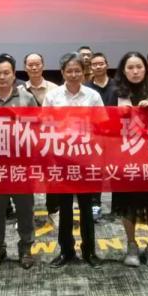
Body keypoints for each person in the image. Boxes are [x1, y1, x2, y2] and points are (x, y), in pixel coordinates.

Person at [0, 54, 39, 271]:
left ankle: (26, 248)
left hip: (21, 166)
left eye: (6, 73)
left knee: (25, 209)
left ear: (13, 75)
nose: (1, 77)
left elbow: (37, 130)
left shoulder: (27, 99)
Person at [107, 51, 148, 268]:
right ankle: (131, 245)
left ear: (146, 69)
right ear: (123, 71)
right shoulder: (115, 94)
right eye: (130, 68)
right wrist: (118, 116)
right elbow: (105, 127)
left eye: (139, 67)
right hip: (125, 160)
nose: (135, 71)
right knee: (127, 204)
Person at [44, 52, 105, 268]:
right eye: (69, 70)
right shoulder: (53, 96)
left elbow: (102, 124)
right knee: (65, 207)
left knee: (87, 207)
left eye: (77, 70)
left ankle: (89, 251)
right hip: (62, 157)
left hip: (86, 157)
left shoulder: (93, 96)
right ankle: (66, 251)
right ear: (62, 73)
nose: (73, 74)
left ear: (84, 72)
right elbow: (45, 125)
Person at [85, 52, 115, 218]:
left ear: (107, 65)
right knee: (95, 171)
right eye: (94, 64)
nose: (98, 66)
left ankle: (117, 205)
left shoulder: (117, 86)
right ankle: (95, 204)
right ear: (90, 67)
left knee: (115, 170)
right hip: (93, 137)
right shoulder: (86, 88)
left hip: (115, 136)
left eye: (101, 63)